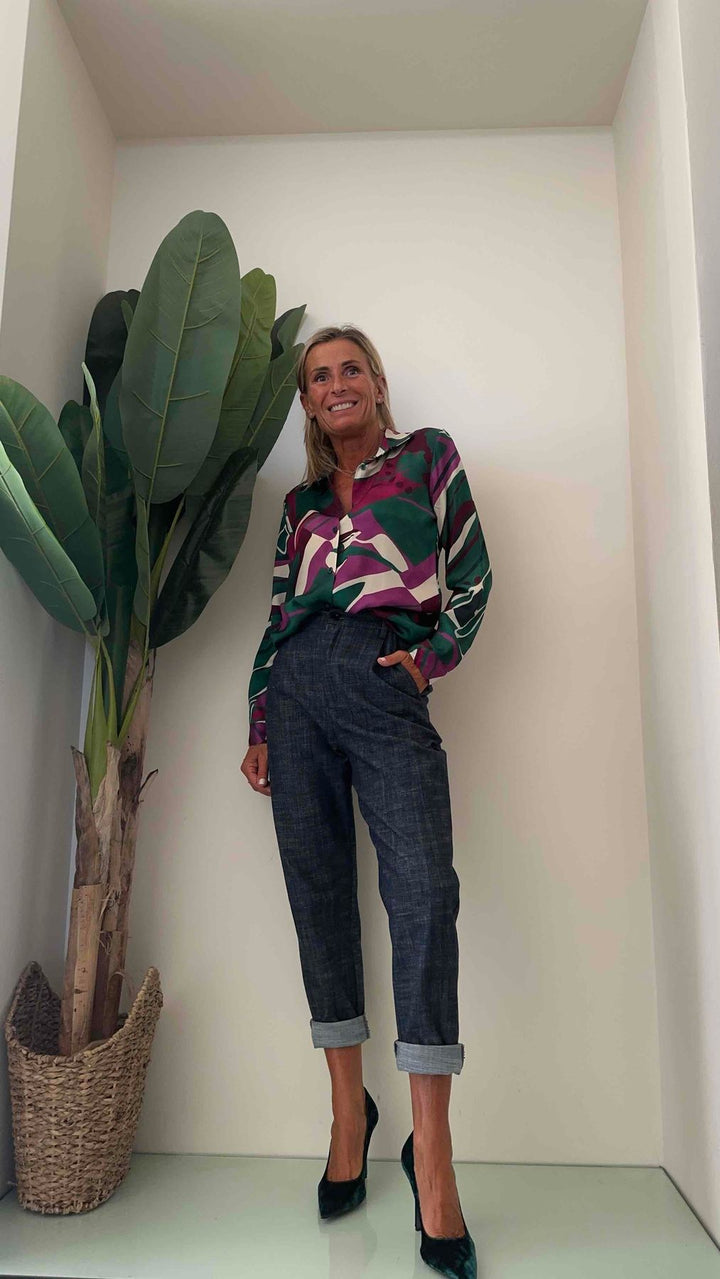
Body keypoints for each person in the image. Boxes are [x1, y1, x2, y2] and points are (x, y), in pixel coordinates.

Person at [240, 324, 492, 1279]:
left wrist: (427, 661)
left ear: (377, 384)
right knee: (319, 899)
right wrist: (261, 717)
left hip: (387, 678)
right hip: (299, 690)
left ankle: (435, 1155)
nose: (336, 383)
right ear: (308, 400)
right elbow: (277, 616)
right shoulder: (300, 504)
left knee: (424, 895)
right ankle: (350, 1112)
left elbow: (472, 576)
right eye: (319, 376)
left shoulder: (429, 456)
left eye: (351, 368)